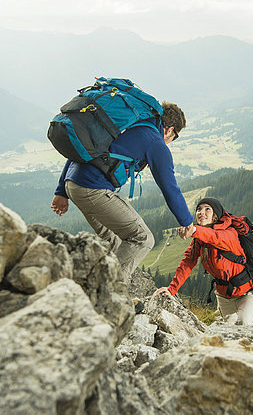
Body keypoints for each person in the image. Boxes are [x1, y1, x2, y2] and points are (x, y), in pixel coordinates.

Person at [51, 102, 193, 283]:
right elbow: (170, 187)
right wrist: (186, 221)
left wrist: (61, 190)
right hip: (92, 190)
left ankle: (101, 285)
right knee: (143, 239)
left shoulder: (126, 124)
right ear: (170, 130)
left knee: (114, 238)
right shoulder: (155, 142)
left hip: (74, 184)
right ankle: (106, 289)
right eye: (176, 137)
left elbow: (82, 150)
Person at [155, 197, 253, 326]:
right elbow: (187, 263)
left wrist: (193, 230)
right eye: (199, 209)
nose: (201, 212)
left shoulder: (229, 233)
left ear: (215, 216)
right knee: (229, 329)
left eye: (207, 209)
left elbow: (215, 237)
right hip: (224, 296)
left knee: (244, 323)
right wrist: (172, 289)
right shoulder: (199, 240)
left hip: (247, 293)